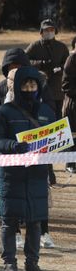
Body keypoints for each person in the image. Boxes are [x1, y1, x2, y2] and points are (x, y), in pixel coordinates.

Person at [0, 66, 55, 271]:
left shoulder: (47, 112)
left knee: (35, 222)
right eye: (25, 85)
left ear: (39, 87)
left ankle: (32, 263)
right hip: (11, 174)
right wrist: (12, 146)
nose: (29, 88)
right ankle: (10, 262)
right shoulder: (4, 112)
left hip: (37, 174)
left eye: (33, 84)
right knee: (9, 221)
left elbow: (54, 141)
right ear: (17, 87)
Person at [26, 19, 70, 119]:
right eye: (46, 30)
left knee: (58, 116)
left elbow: (68, 65)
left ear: (55, 31)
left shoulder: (62, 47)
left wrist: (60, 68)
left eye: (51, 30)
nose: (49, 32)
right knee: (40, 116)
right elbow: (25, 61)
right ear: (41, 32)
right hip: (39, 87)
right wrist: (41, 64)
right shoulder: (34, 46)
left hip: (57, 89)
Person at [0, 48, 31, 114]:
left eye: (18, 68)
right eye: (12, 68)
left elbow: (48, 109)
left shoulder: (35, 85)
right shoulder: (1, 87)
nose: (15, 71)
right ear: (7, 70)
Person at [62, 37, 76, 174]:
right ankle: (70, 163)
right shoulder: (72, 60)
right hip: (73, 105)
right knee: (73, 135)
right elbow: (65, 85)